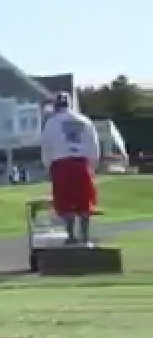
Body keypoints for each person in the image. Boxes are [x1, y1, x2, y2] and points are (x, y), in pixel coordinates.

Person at [41, 92, 101, 245]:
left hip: (61, 165)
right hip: (82, 164)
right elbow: (94, 145)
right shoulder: (85, 121)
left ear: (56, 105)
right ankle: (85, 237)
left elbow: (46, 147)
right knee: (85, 203)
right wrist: (92, 165)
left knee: (65, 203)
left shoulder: (51, 122)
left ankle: (71, 236)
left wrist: (48, 166)